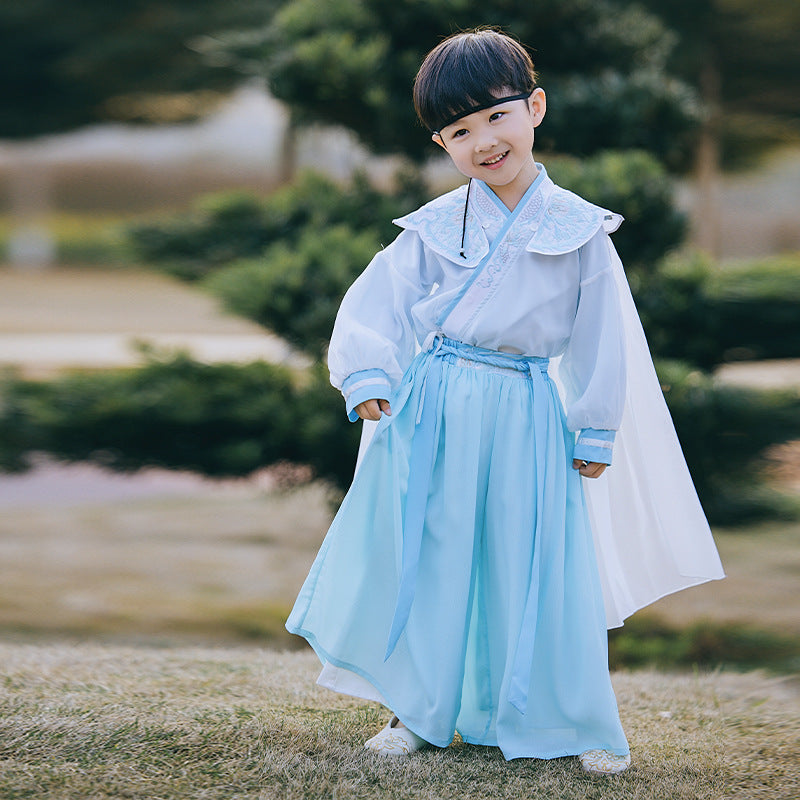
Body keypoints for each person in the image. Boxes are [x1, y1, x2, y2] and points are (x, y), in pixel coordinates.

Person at [286, 28, 724, 776]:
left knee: (539, 564)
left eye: (497, 116)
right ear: (441, 143)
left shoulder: (582, 231)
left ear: (535, 109)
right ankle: (420, 712)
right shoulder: (433, 228)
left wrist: (594, 427)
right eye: (460, 130)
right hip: (435, 408)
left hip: (526, 413)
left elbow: (602, 337)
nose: (484, 141)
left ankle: (570, 717)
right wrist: (369, 379)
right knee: (435, 554)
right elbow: (373, 306)